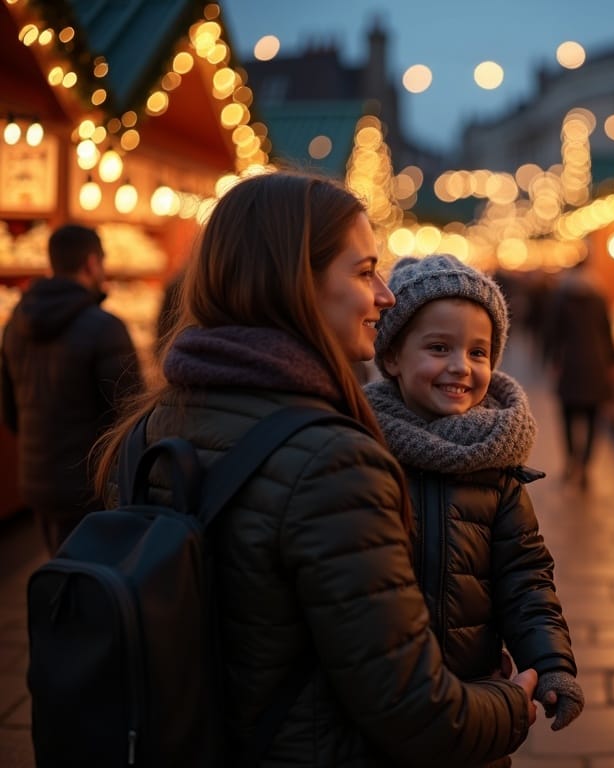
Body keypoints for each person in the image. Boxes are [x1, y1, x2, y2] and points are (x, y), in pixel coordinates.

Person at [93, 172, 538, 765]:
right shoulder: (333, 458)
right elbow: (412, 708)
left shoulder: (153, 425)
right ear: (296, 282)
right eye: (362, 271)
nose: (385, 295)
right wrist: (511, 704)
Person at [365, 254, 584, 744]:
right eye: (439, 347)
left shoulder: (495, 468)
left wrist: (549, 663)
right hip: (385, 698)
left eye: (478, 352)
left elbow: (525, 578)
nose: (460, 367)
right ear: (393, 356)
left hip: (475, 695)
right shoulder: (364, 450)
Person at [1, 223, 142, 555]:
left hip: (36, 480)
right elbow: (128, 418)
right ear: (92, 263)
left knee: (59, 570)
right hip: (89, 488)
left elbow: (9, 412)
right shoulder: (106, 329)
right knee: (92, 586)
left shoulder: (14, 325)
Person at [542, 255, 614, 489]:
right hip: (596, 365)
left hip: (569, 365)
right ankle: (585, 464)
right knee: (594, 419)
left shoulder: (560, 297)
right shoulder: (598, 297)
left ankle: (570, 461)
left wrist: (551, 361)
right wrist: (613, 362)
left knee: (567, 418)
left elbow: (552, 333)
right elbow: (608, 332)